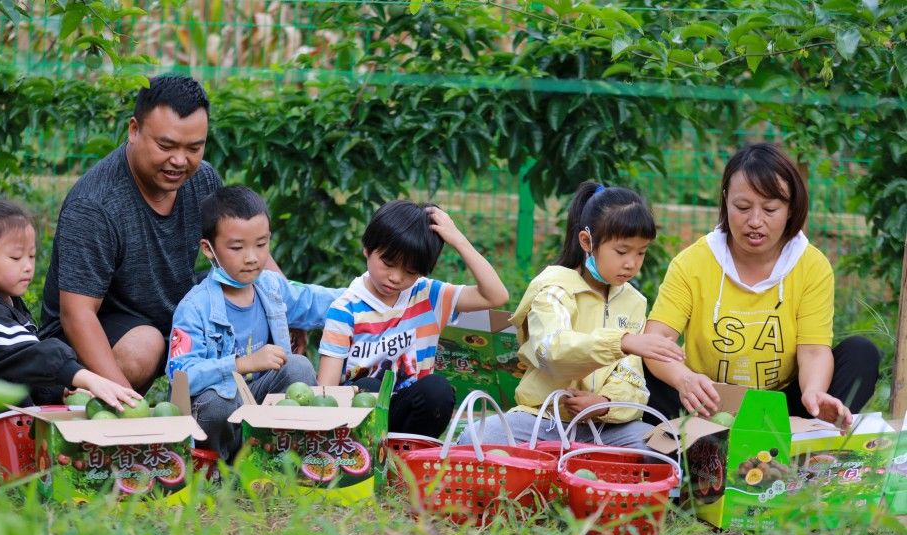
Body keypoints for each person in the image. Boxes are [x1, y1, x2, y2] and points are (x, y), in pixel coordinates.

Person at [39, 75, 300, 395]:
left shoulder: (202, 180)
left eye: (194, 148)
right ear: (134, 130)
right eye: (166, 145)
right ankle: (97, 412)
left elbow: (246, 243)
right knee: (143, 347)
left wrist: (287, 309)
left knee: (240, 309)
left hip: (175, 320)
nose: (179, 160)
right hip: (90, 341)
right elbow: (77, 315)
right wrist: (128, 405)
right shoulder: (96, 205)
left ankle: (235, 428)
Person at [643, 143, 880, 426]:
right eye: (742, 207)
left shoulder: (811, 266)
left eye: (770, 209)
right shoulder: (692, 262)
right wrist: (685, 379)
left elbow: (814, 351)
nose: (755, 221)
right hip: (707, 402)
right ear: (725, 200)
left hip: (782, 407)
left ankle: (813, 435)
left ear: (791, 208)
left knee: (861, 353)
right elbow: (656, 341)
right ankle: (703, 446)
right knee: (641, 366)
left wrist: (814, 392)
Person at [459, 181, 684, 449]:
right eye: (622, 251)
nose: (631, 263)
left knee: (659, 447)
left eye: (641, 253)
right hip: (542, 419)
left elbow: (630, 376)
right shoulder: (553, 288)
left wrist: (606, 404)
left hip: (604, 426)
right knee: (478, 436)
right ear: (587, 242)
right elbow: (552, 350)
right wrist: (620, 342)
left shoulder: (634, 301)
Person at [0, 201, 142, 436]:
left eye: (31, 256)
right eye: (15, 258)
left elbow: (15, 366)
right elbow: (32, 355)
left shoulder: (3, 302)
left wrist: (60, 391)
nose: (27, 267)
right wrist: (89, 379)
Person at [166, 186, 344, 462]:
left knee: (297, 366)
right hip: (218, 417)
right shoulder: (195, 307)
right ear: (208, 249)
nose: (252, 257)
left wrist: (366, 295)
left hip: (256, 409)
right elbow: (181, 377)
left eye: (261, 244)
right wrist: (240, 363)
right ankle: (213, 467)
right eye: (237, 247)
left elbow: (312, 301)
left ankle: (276, 456)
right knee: (217, 401)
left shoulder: (269, 287)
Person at [317, 200, 509, 439]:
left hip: (408, 419)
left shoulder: (428, 295)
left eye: (410, 272)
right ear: (367, 249)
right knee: (369, 388)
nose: (396, 278)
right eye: (387, 263)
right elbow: (326, 390)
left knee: (437, 390)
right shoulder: (346, 310)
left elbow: (496, 295)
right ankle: (370, 462)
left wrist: (458, 239)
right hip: (358, 426)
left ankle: (411, 460)